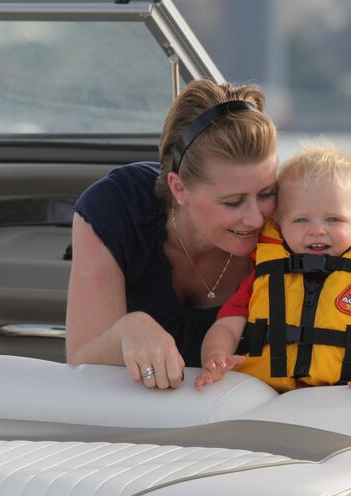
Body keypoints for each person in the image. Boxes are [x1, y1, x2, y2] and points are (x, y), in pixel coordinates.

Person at [66, 79, 279, 389]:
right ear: (179, 188)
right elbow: (79, 360)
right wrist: (128, 330)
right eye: (233, 202)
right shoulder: (117, 208)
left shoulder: (296, 220)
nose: (257, 218)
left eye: (267, 193)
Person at [197, 144, 351, 400]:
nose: (317, 230)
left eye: (333, 219)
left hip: (348, 396)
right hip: (264, 394)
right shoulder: (263, 278)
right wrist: (215, 356)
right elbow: (227, 326)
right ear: (280, 226)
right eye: (301, 220)